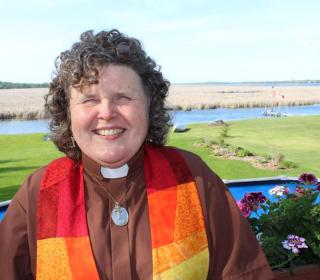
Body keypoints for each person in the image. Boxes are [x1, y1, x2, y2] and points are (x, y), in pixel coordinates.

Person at [0, 29, 274, 280]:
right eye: (89, 100)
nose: (106, 112)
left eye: (123, 97)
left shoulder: (192, 178)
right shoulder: (39, 193)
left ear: (149, 107)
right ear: (68, 113)